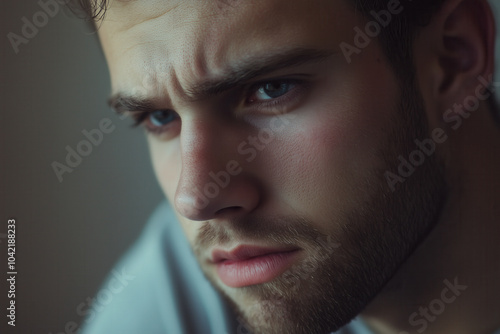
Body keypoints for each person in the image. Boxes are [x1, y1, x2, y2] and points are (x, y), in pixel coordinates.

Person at [75, 0, 500, 333]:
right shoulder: (183, 282)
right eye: (160, 118)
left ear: (453, 58)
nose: (196, 198)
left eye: (270, 89)